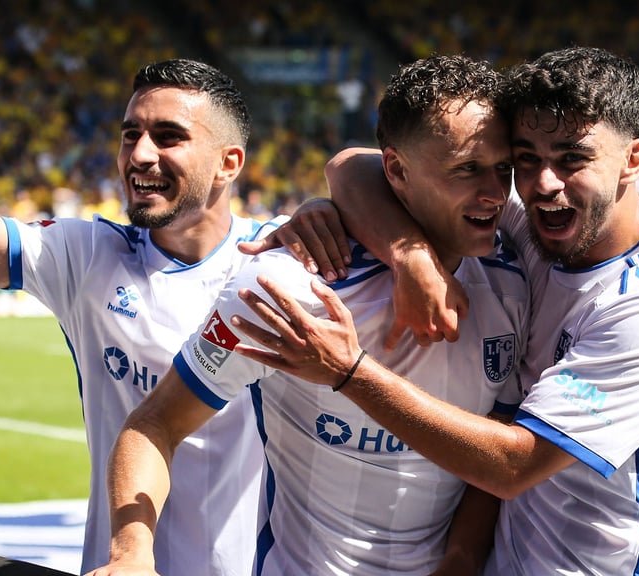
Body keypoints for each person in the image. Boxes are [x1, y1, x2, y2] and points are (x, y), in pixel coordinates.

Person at [233, 47, 639, 575]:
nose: (543, 184)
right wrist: (411, 258)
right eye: (526, 160)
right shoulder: (543, 227)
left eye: (572, 159)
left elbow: (515, 463)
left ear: (633, 160)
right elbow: (356, 165)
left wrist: (349, 372)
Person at [92, 54, 528, 575]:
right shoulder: (287, 285)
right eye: (467, 169)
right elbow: (154, 424)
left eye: (503, 169)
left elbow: (496, 453)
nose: (496, 193)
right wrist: (131, 555)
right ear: (396, 170)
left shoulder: (514, 276)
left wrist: (460, 561)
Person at [0, 17, 269, 575]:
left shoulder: (279, 264)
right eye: (130, 133)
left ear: (229, 163)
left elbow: (380, 171)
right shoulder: (86, 255)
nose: (139, 154)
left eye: (168, 136)